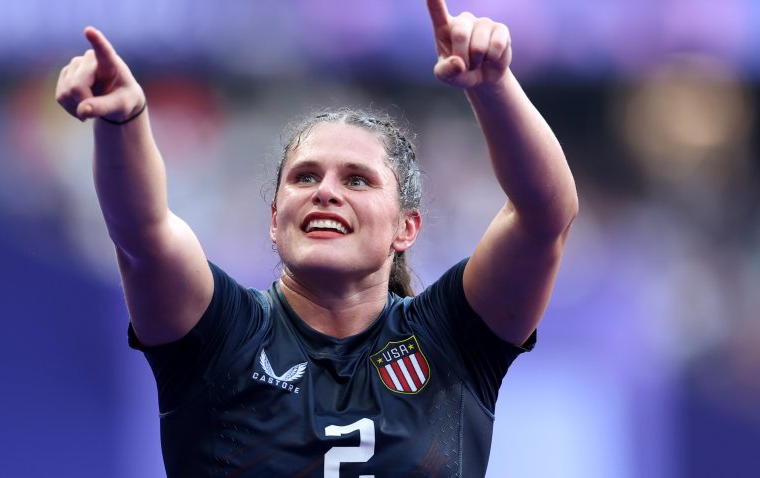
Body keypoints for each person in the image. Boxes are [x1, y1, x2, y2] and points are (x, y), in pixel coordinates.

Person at [54, 0, 578, 476]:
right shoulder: (218, 337)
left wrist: (493, 86)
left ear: (406, 228)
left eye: (357, 179)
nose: (326, 192)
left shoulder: (453, 341)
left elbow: (543, 217)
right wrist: (124, 120)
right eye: (305, 177)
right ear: (275, 215)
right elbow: (142, 234)